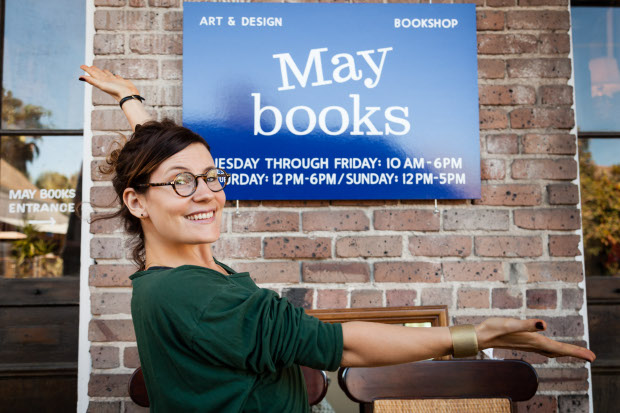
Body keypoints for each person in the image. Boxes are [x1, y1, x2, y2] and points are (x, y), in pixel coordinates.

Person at [79, 65, 596, 412]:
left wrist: (131, 102)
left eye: (212, 177)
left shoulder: (169, 271)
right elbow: (342, 343)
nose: (207, 194)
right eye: (183, 183)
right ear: (135, 202)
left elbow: (165, 170)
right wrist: (479, 336)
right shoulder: (197, 297)